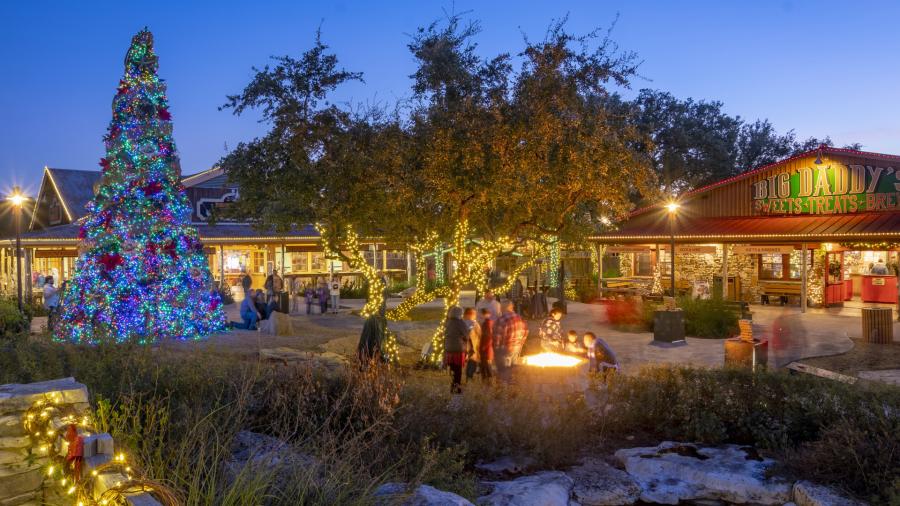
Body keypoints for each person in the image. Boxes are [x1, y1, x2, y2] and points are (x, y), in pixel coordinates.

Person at [494, 300, 527, 384]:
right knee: (513, 369)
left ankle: (504, 389)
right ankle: (512, 388)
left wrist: (496, 348)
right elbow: (526, 331)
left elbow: (498, 335)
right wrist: (521, 343)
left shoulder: (502, 319)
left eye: (500, 308)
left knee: (504, 370)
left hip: (505, 347)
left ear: (503, 308)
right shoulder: (519, 317)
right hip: (517, 347)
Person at [443, 306, 470, 393]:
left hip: (448, 348)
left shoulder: (448, 322)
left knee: (452, 368)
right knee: (458, 370)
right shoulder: (460, 323)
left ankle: (453, 385)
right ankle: (457, 387)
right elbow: (466, 335)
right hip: (458, 348)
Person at [463, 307, 481, 381]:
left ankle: (467, 376)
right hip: (472, 346)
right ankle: (469, 377)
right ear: (471, 314)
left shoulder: (462, 322)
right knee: (472, 362)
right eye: (474, 314)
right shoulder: (474, 324)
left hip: (463, 347)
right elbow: (480, 334)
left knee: (468, 362)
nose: (475, 315)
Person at [479, 308, 494, 381]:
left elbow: (488, 337)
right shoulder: (489, 323)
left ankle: (488, 381)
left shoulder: (486, 324)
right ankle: (487, 380)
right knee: (486, 365)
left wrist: (483, 347)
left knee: (486, 366)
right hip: (487, 348)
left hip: (485, 349)